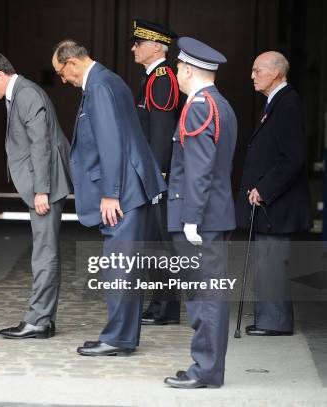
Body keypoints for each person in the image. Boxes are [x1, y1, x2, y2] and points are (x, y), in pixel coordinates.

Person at [51, 39, 166, 356]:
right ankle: (120, 336)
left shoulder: (99, 86)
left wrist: (110, 194)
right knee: (124, 268)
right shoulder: (109, 79)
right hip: (130, 188)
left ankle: (116, 339)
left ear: (72, 63)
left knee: (120, 269)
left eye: (62, 73)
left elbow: (111, 142)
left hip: (123, 193)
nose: (63, 80)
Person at [0, 50, 72, 339]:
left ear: (0, 75)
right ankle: (44, 319)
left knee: (44, 253)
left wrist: (42, 189)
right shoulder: (20, 93)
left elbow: (40, 144)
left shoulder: (26, 94)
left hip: (46, 185)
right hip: (45, 183)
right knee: (45, 251)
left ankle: (39, 320)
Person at [163, 37, 237, 388]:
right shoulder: (219, 103)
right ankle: (207, 367)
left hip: (201, 220)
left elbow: (199, 168)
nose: (176, 72)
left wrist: (190, 218)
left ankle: (205, 370)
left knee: (203, 297)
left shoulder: (199, 106)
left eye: (179, 67)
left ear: (189, 69)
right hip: (214, 216)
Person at [236, 51, 311, 337]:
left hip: (277, 202)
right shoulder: (275, 101)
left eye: (258, 71)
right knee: (266, 260)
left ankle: (275, 322)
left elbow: (294, 157)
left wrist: (264, 189)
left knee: (272, 261)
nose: (252, 76)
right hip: (270, 202)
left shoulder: (287, 103)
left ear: (277, 73)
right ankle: (269, 318)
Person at [130, 19, 182, 326]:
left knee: (161, 244)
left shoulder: (162, 79)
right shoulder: (152, 78)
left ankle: (167, 308)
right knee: (153, 242)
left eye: (138, 43)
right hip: (152, 177)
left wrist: (157, 176)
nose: (133, 48)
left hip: (158, 179)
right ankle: (158, 303)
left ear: (154, 47)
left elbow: (162, 134)